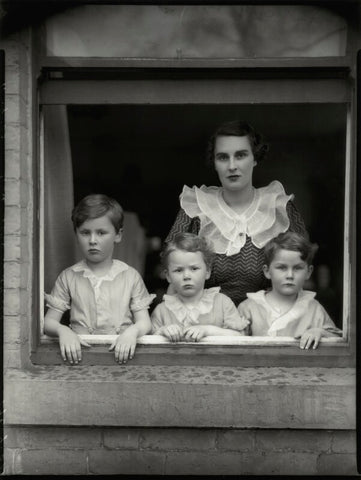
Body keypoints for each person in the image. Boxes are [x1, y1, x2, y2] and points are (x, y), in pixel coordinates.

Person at [166, 120, 308, 306]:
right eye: (223, 157)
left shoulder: (279, 209)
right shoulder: (195, 209)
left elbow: (299, 276)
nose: (232, 165)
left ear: (255, 158)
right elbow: (174, 280)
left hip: (266, 322)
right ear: (214, 163)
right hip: (204, 323)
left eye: (240, 155)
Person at [44, 194, 155, 364]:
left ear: (118, 235)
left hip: (123, 357)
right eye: (85, 233)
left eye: (101, 233)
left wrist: (132, 333)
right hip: (80, 358)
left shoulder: (130, 276)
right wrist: (63, 331)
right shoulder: (68, 276)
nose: (93, 240)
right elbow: (49, 322)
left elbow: (145, 323)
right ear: (76, 234)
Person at [237, 231, 342, 349]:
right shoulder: (249, 307)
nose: (290, 275)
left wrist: (319, 332)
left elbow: (337, 339)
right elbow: (233, 343)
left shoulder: (313, 308)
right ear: (267, 271)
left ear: (308, 272)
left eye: (297, 268)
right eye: (282, 268)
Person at [151, 233, 249, 342]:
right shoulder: (162, 310)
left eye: (194, 269)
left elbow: (240, 337)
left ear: (207, 272)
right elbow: (148, 343)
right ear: (168, 276)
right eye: (178, 270)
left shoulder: (222, 303)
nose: (186, 276)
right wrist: (163, 331)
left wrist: (207, 330)